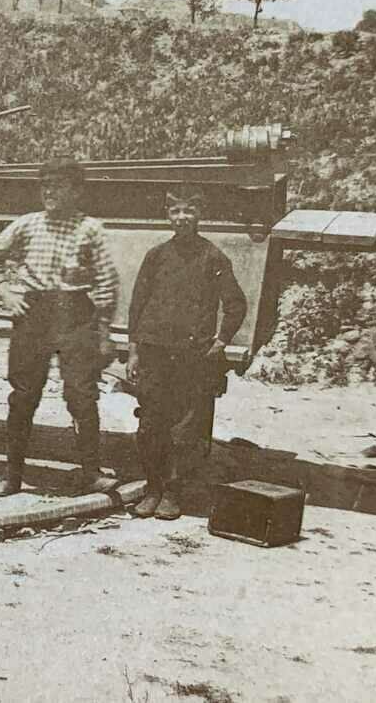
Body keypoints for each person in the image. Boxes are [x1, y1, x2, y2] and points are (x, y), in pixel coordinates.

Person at [0, 157, 120, 497]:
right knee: (24, 395)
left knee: (81, 395)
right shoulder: (28, 224)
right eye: (45, 185)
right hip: (34, 314)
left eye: (57, 185)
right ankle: (13, 475)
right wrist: (6, 292)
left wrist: (103, 331)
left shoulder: (90, 229)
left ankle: (91, 472)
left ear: (76, 190)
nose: (49, 192)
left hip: (76, 315)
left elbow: (106, 282)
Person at [126, 186, 246, 519]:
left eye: (188, 212)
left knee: (185, 430)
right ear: (167, 216)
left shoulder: (214, 257)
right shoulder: (156, 255)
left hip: (193, 358)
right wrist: (134, 351)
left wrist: (221, 340)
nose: (181, 218)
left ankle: (173, 494)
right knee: (150, 425)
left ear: (199, 215)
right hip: (154, 354)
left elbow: (235, 304)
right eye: (175, 212)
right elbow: (137, 307)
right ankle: (152, 489)